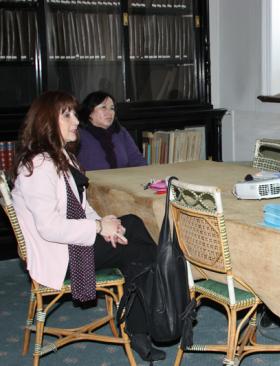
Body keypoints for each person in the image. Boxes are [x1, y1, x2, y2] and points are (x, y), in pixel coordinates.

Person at [10, 91, 165, 362]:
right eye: (67, 115)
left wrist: (107, 224)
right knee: (139, 250)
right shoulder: (37, 166)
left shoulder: (59, 156)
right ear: (47, 121)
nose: (76, 122)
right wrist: (97, 227)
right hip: (58, 254)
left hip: (71, 241)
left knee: (131, 226)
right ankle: (152, 316)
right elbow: (49, 227)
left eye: (74, 114)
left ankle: (148, 314)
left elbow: (80, 205)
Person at [77, 91, 147, 170]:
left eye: (112, 108)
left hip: (123, 179)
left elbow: (137, 159)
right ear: (89, 111)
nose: (109, 113)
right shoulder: (79, 135)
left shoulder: (120, 132)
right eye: (103, 107)